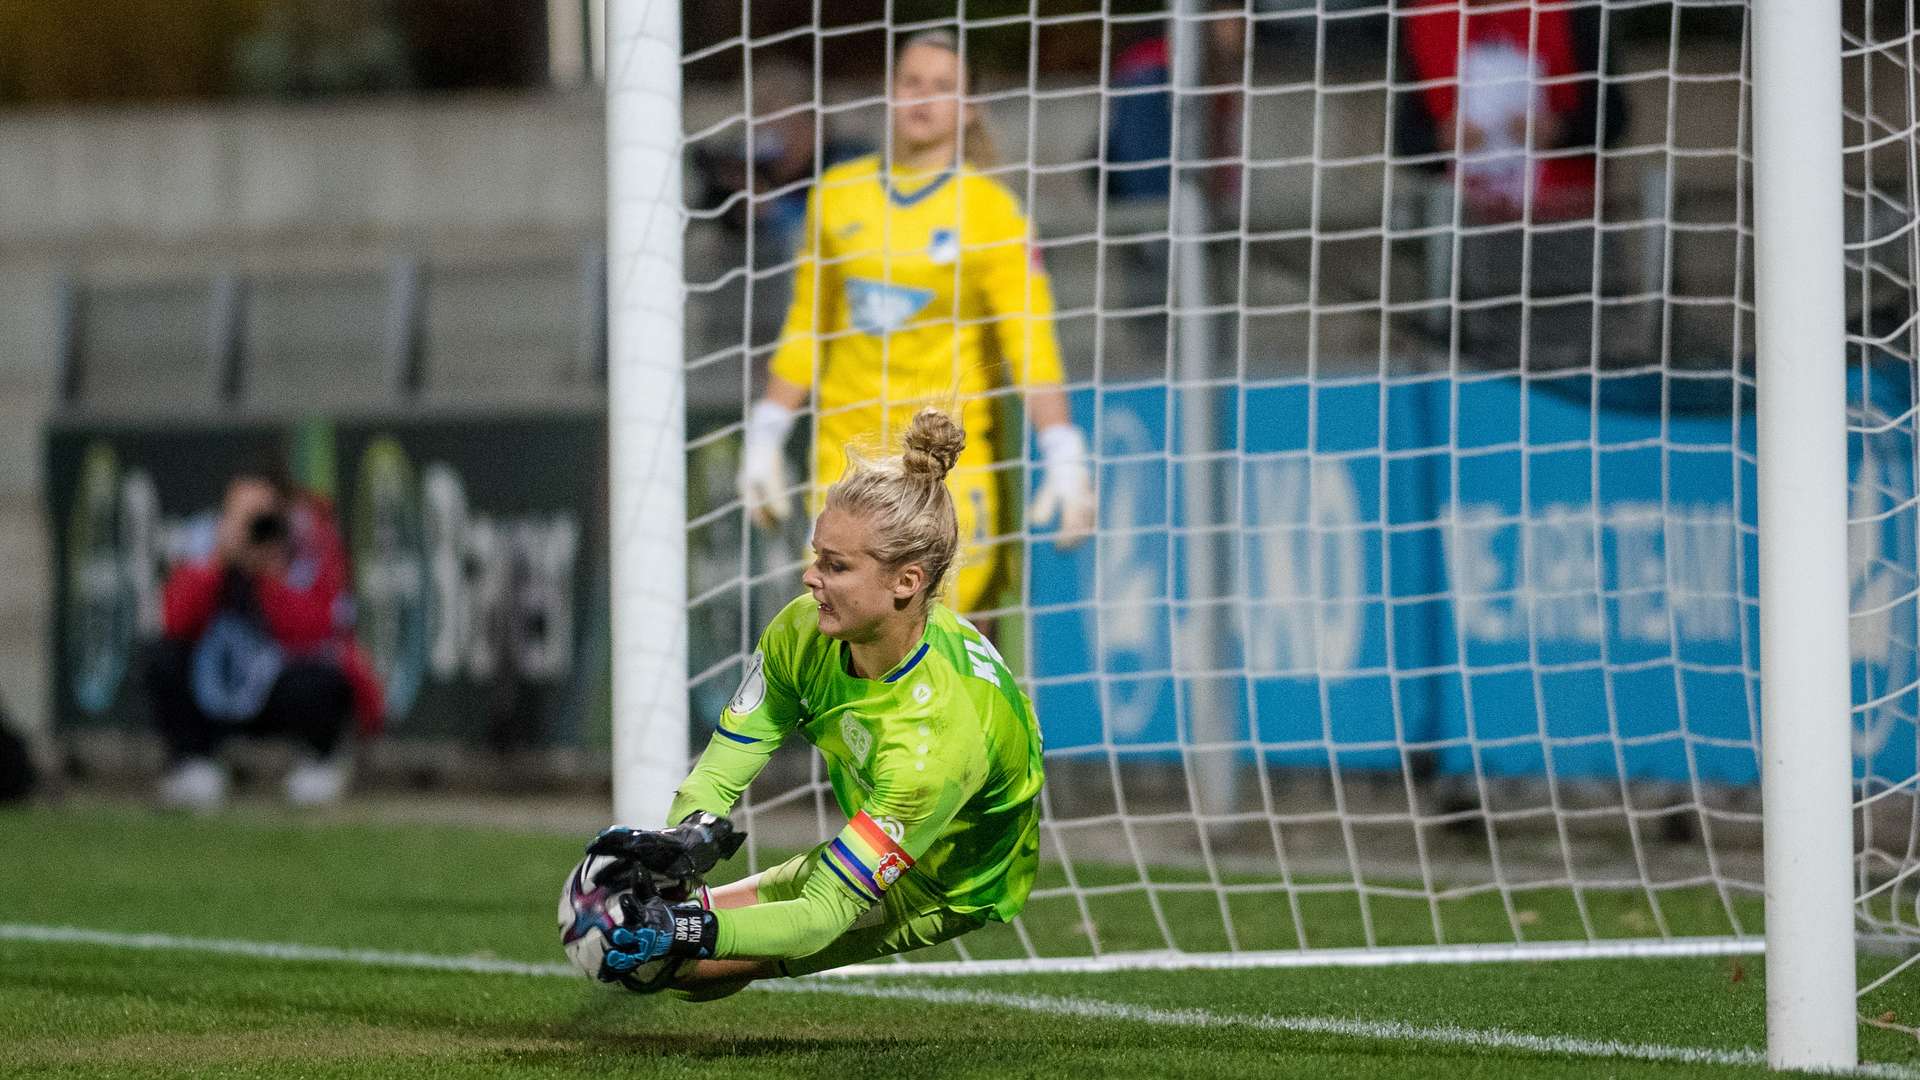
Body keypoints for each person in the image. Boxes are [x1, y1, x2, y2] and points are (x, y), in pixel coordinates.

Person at [584, 409, 1044, 992]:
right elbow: (725, 763)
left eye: (835, 566)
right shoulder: (802, 630)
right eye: (816, 555)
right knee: (677, 943)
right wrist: (688, 833)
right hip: (888, 806)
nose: (809, 577)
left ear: (907, 582)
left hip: (949, 878)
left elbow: (816, 919)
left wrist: (683, 931)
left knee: (685, 963)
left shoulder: (935, 744)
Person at [736, 29, 1096, 625]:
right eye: (911, 83)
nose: (923, 99)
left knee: (949, 664)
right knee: (855, 668)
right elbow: (807, 327)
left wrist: (1063, 451)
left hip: (945, 476)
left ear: (968, 106)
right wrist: (766, 433)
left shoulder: (993, 213)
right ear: (890, 91)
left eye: (942, 87)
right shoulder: (838, 197)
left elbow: (1031, 345)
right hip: (846, 470)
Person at [1396, 0, 1629, 371]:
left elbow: (1613, 117)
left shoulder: (1571, 9)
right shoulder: (1427, 17)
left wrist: (1559, 131)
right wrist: (1443, 140)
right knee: (1481, 361)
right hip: (1473, 234)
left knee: (1578, 356)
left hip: (1566, 226)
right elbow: (1406, 140)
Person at [147, 462, 383, 810]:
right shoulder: (204, 546)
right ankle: (194, 763)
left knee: (323, 679)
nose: (254, 529)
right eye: (244, 517)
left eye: (263, 517)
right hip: (216, 685)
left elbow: (318, 631)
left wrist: (268, 575)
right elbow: (176, 621)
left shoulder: (308, 545)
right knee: (163, 659)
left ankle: (320, 759)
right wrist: (220, 561)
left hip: (277, 686)